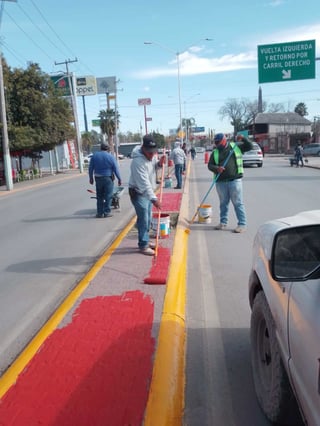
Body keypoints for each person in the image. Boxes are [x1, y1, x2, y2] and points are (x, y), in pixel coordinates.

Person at [208, 133, 253, 233]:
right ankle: (223, 223)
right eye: (215, 142)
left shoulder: (236, 147)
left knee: (238, 203)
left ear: (224, 140)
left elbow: (250, 146)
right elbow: (210, 165)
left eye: (218, 142)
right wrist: (217, 168)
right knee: (223, 204)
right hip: (220, 182)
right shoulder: (215, 152)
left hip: (234, 181)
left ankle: (242, 224)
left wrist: (244, 139)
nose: (216, 144)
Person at [128, 135, 165, 256]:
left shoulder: (152, 156)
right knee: (144, 217)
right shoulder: (137, 162)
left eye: (153, 152)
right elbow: (144, 184)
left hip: (148, 192)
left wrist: (160, 163)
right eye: (149, 153)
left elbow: (154, 168)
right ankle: (143, 245)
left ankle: (145, 240)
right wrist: (154, 199)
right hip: (138, 192)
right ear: (143, 148)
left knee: (147, 218)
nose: (151, 155)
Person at [89, 143, 122, 218]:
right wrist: (119, 179)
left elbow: (91, 168)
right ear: (108, 149)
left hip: (98, 179)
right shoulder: (110, 157)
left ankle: (100, 213)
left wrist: (91, 178)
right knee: (108, 195)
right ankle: (107, 212)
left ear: (100, 148)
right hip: (108, 178)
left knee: (99, 196)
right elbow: (115, 169)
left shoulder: (95, 156)